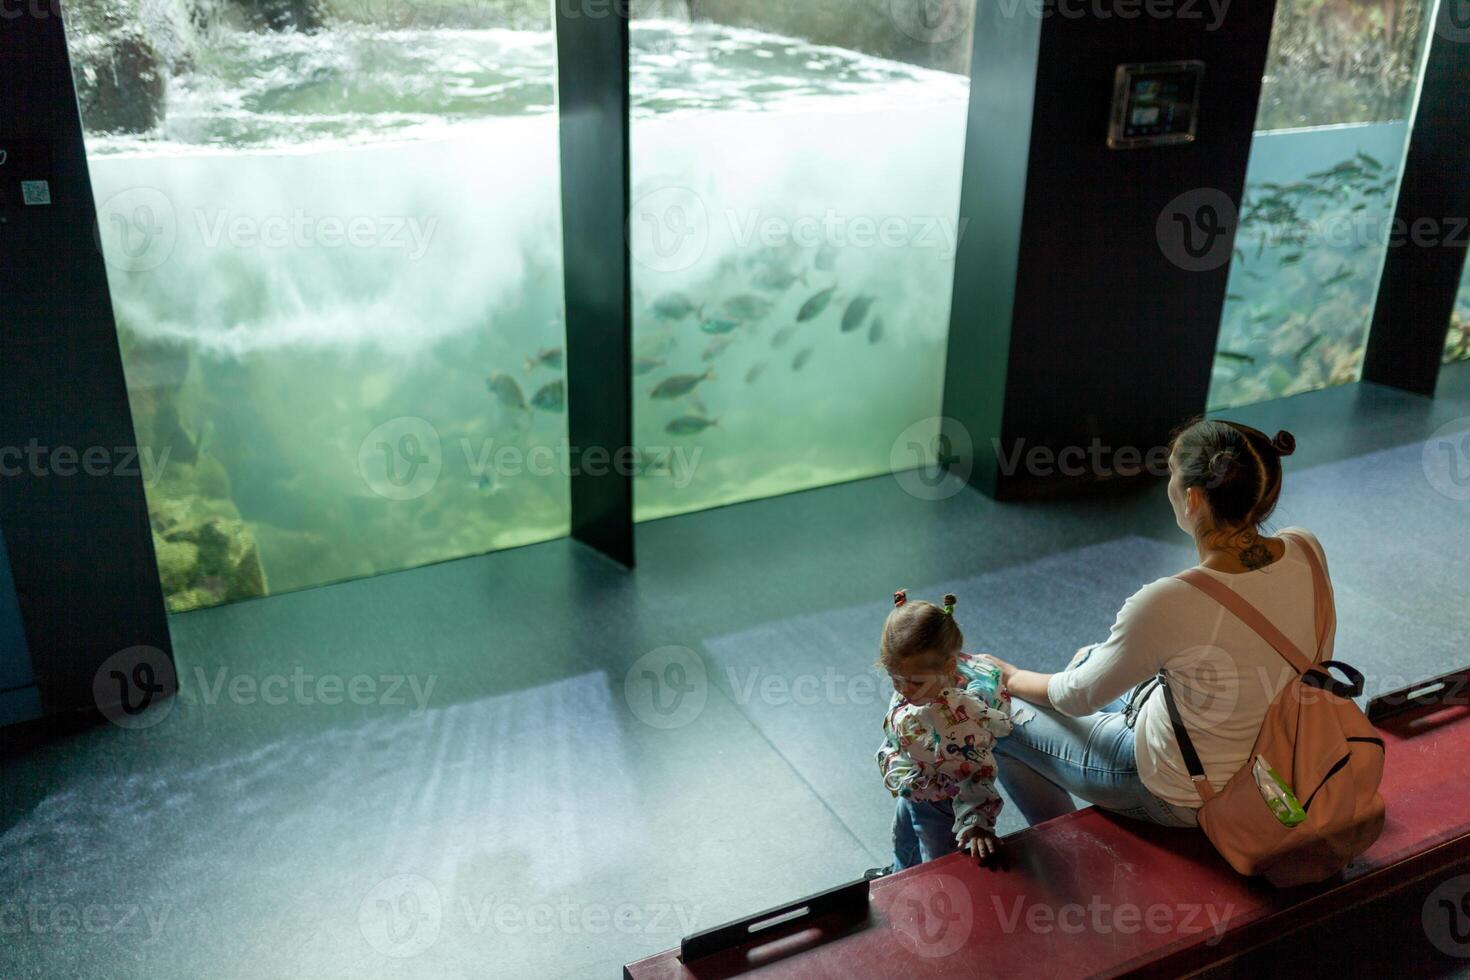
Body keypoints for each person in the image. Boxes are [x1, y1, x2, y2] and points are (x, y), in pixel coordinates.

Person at [979, 417, 1332, 829]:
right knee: (1090, 657)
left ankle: (1061, 847)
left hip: (1189, 793)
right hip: (1286, 756)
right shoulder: (1305, 548)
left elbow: (1074, 698)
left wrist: (1011, 674)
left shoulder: (1167, 601)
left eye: (1172, 475)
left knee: (995, 713)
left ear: (1194, 498)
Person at [868, 589, 1013, 879]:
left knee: (937, 864)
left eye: (912, 681)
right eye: (893, 677)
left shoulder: (959, 717)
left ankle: (934, 891)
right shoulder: (921, 682)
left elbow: (976, 768)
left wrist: (977, 822)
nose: (902, 689)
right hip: (918, 779)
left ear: (948, 667)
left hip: (943, 798)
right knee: (904, 835)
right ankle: (900, 872)